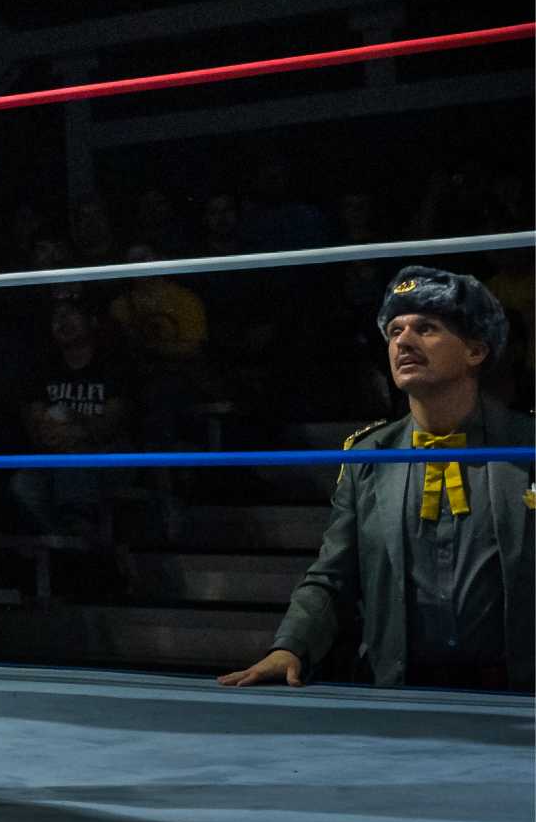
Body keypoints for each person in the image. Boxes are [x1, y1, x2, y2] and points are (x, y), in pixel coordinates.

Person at [221, 268, 533, 692]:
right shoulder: (369, 455)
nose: (403, 341)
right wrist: (291, 646)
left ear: (475, 350)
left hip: (518, 692)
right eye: (395, 331)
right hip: (400, 691)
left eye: (426, 328)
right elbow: (334, 574)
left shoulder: (527, 445)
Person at [11, 301, 133, 538]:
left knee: (74, 461)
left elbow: (110, 425)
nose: (62, 321)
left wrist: (75, 424)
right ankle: (66, 543)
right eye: (56, 317)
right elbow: (38, 425)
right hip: (55, 457)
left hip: (107, 456)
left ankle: (83, 536)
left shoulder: (113, 365)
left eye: (71, 314)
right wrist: (52, 435)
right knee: (22, 484)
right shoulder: (43, 367)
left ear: (92, 321)